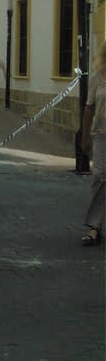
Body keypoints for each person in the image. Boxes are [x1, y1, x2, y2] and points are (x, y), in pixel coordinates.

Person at [79, 42, 106, 246]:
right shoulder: (97, 78)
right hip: (101, 135)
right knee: (99, 176)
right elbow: (89, 108)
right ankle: (95, 227)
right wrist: (85, 136)